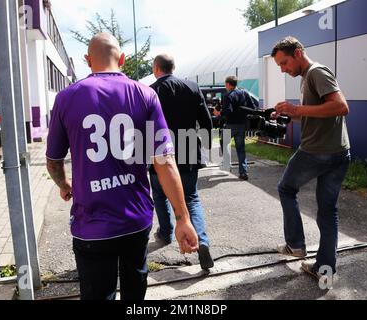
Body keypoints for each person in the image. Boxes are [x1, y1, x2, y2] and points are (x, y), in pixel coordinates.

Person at [45, 33, 198, 300]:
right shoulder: (146, 94)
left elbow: (53, 161)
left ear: (87, 60)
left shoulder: (66, 98)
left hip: (91, 223)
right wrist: (183, 218)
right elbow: (165, 162)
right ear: (123, 59)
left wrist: (64, 184)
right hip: (135, 220)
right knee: (135, 291)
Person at [271, 36, 351, 281]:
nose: (284, 70)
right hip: (338, 153)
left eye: (284, 63)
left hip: (318, 152)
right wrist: (288, 114)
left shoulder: (317, 72)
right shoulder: (307, 77)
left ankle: (296, 244)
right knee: (327, 211)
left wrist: (297, 110)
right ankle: (324, 268)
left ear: (297, 53)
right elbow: (318, 113)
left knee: (286, 189)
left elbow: (340, 107)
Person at [149, 54, 214, 270]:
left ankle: (166, 232)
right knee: (191, 198)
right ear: (173, 67)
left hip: (159, 153)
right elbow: (206, 122)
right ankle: (202, 241)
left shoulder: (150, 91)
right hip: (188, 151)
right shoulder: (192, 87)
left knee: (160, 194)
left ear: (156, 68)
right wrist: (205, 146)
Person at [214, 76, 258, 180]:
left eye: (225, 84)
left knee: (224, 143)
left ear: (228, 84)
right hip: (242, 125)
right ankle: (243, 173)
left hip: (230, 125)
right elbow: (253, 108)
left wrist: (218, 113)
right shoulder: (244, 93)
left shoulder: (227, 95)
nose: (225, 86)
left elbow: (227, 111)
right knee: (241, 149)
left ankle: (227, 164)